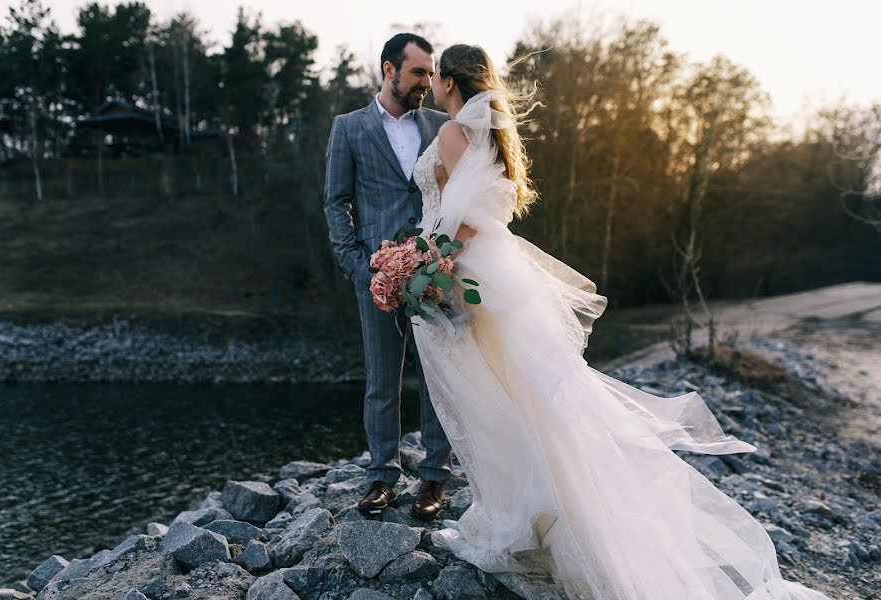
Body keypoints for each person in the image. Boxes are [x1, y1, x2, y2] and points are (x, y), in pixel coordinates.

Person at [407, 43, 834, 600]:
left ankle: (518, 522)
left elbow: (467, 214)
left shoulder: (451, 132)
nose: (432, 83)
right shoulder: (486, 132)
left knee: (493, 399)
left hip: (468, 272)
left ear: (449, 81)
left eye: (436, 75)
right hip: (490, 270)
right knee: (522, 397)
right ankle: (528, 516)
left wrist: (431, 258)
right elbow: (491, 205)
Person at [323, 33, 453, 519]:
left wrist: (443, 256)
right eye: (419, 71)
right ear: (388, 69)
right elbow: (336, 201)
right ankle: (381, 476)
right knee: (382, 381)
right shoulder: (349, 127)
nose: (427, 81)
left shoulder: (442, 125)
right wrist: (356, 266)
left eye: (430, 71)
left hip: (433, 273)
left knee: (437, 379)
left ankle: (434, 480)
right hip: (375, 276)